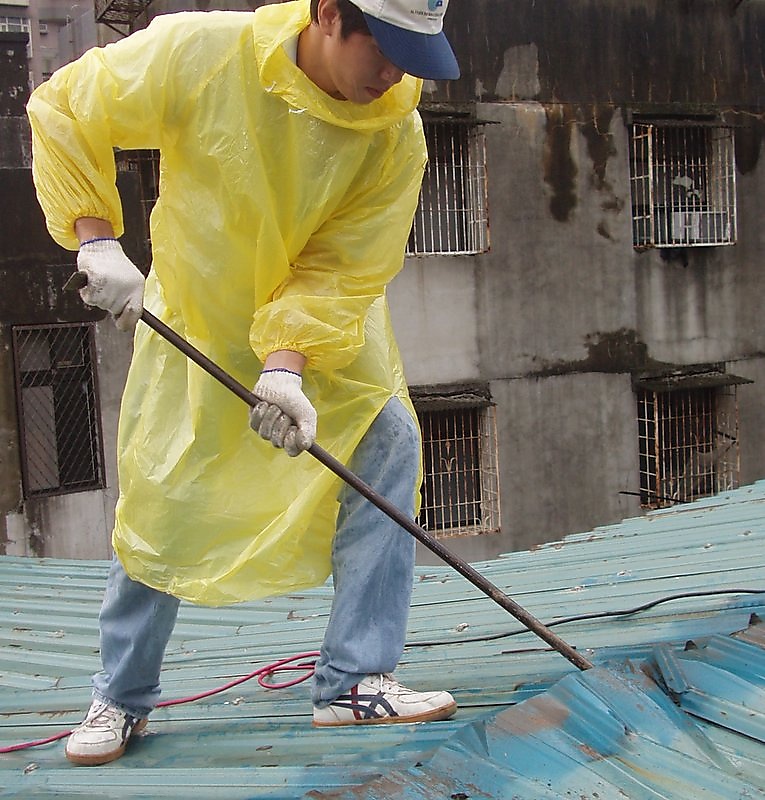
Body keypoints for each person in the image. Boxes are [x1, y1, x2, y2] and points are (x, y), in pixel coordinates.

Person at [27, 0, 461, 768]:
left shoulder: (396, 128)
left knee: (385, 443)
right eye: (384, 49)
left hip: (322, 327)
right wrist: (97, 240)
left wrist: (284, 364)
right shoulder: (206, 52)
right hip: (201, 308)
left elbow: (346, 263)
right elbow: (65, 104)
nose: (395, 73)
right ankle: (119, 696)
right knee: (163, 488)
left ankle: (355, 679)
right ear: (329, 14)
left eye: (411, 55)